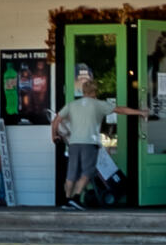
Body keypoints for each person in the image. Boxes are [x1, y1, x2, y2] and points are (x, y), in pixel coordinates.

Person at [55, 65, 141, 210]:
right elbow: (120, 110)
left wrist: (53, 135)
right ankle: (76, 198)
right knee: (87, 173)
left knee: (71, 174)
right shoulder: (98, 104)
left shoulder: (72, 105)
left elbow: (56, 120)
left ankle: (66, 200)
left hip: (74, 143)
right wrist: (139, 112)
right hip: (89, 143)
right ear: (94, 92)